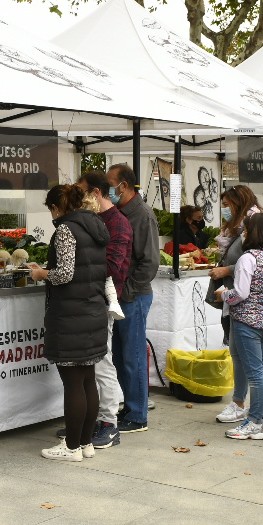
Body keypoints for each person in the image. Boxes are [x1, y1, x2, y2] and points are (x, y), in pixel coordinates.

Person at [30, 183, 112, 462]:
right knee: (87, 379)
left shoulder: (66, 229)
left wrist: (42, 274)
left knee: (73, 382)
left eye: (51, 209)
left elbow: (64, 274)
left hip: (70, 314)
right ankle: (86, 443)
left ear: (57, 207)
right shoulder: (96, 225)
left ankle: (71, 447)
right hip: (92, 311)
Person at [73, 170, 130, 449]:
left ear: (96, 193)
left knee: (103, 362)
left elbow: (112, 266)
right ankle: (90, 422)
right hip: (86, 301)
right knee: (88, 364)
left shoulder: (117, 223)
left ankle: (109, 423)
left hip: (103, 302)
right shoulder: (91, 220)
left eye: (81, 193)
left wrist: (76, 266)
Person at [219, 212, 263, 442]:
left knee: (256, 375)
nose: (243, 234)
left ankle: (254, 421)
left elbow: (241, 293)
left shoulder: (248, 258)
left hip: (247, 321)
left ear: (251, 232)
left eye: (245, 230)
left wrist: (224, 295)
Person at [106, 163, 159, 433]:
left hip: (133, 297)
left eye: (110, 184)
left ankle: (138, 414)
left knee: (133, 356)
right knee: (120, 355)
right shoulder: (120, 212)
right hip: (122, 296)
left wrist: (127, 291)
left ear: (123, 186)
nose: (107, 190)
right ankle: (131, 406)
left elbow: (150, 263)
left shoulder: (142, 215)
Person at [210, 185, 260, 424]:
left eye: (228, 204)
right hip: (236, 298)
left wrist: (226, 269)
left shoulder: (252, 225)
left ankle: (245, 406)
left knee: (245, 357)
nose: (225, 209)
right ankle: (246, 405)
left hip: (243, 301)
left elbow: (255, 261)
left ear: (239, 204)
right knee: (239, 354)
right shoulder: (241, 227)